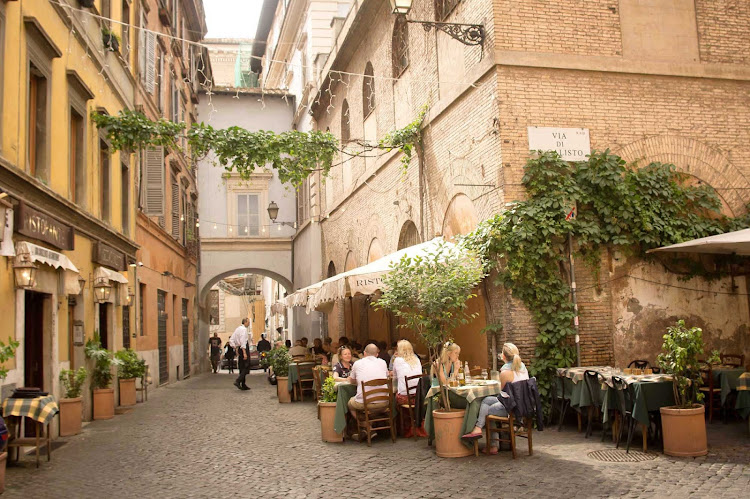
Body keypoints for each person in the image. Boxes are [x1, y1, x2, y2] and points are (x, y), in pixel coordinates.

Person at [461, 343, 529, 453]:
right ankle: (479, 430)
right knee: (486, 400)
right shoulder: (523, 368)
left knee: (486, 410)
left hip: (512, 408)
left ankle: (491, 443)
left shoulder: (505, 372)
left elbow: (504, 397)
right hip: (523, 405)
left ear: (503, 356)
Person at [391, 340, 428, 438]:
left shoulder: (398, 360)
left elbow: (394, 377)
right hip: (419, 396)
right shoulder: (416, 359)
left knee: (394, 400)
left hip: (406, 397)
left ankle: (400, 428)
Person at [348, 344, 389, 430]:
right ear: (377, 354)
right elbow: (387, 376)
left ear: (364, 353)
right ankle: (374, 424)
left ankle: (366, 425)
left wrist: (359, 380)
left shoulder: (357, 363)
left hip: (365, 404)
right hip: (384, 403)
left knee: (350, 404)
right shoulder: (383, 362)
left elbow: (351, 380)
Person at [229, 318, 251, 390]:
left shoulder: (237, 329)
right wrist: (244, 352)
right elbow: (243, 341)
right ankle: (238, 381)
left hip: (239, 348)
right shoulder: (243, 330)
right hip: (243, 348)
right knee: (246, 366)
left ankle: (243, 384)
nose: (249, 323)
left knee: (241, 367)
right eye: (248, 322)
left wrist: (236, 348)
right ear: (245, 322)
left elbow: (231, 340)